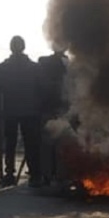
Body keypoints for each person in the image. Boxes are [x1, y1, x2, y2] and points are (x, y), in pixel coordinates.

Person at [0, 36, 42, 187]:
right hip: (29, 110)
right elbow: (40, 88)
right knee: (30, 143)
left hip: (11, 110)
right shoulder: (34, 67)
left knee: (10, 143)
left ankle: (9, 174)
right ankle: (34, 174)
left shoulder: (4, 67)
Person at [37, 48, 68, 183]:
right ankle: (57, 175)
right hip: (58, 109)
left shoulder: (43, 62)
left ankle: (48, 174)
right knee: (59, 143)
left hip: (50, 109)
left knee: (48, 144)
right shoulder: (67, 64)